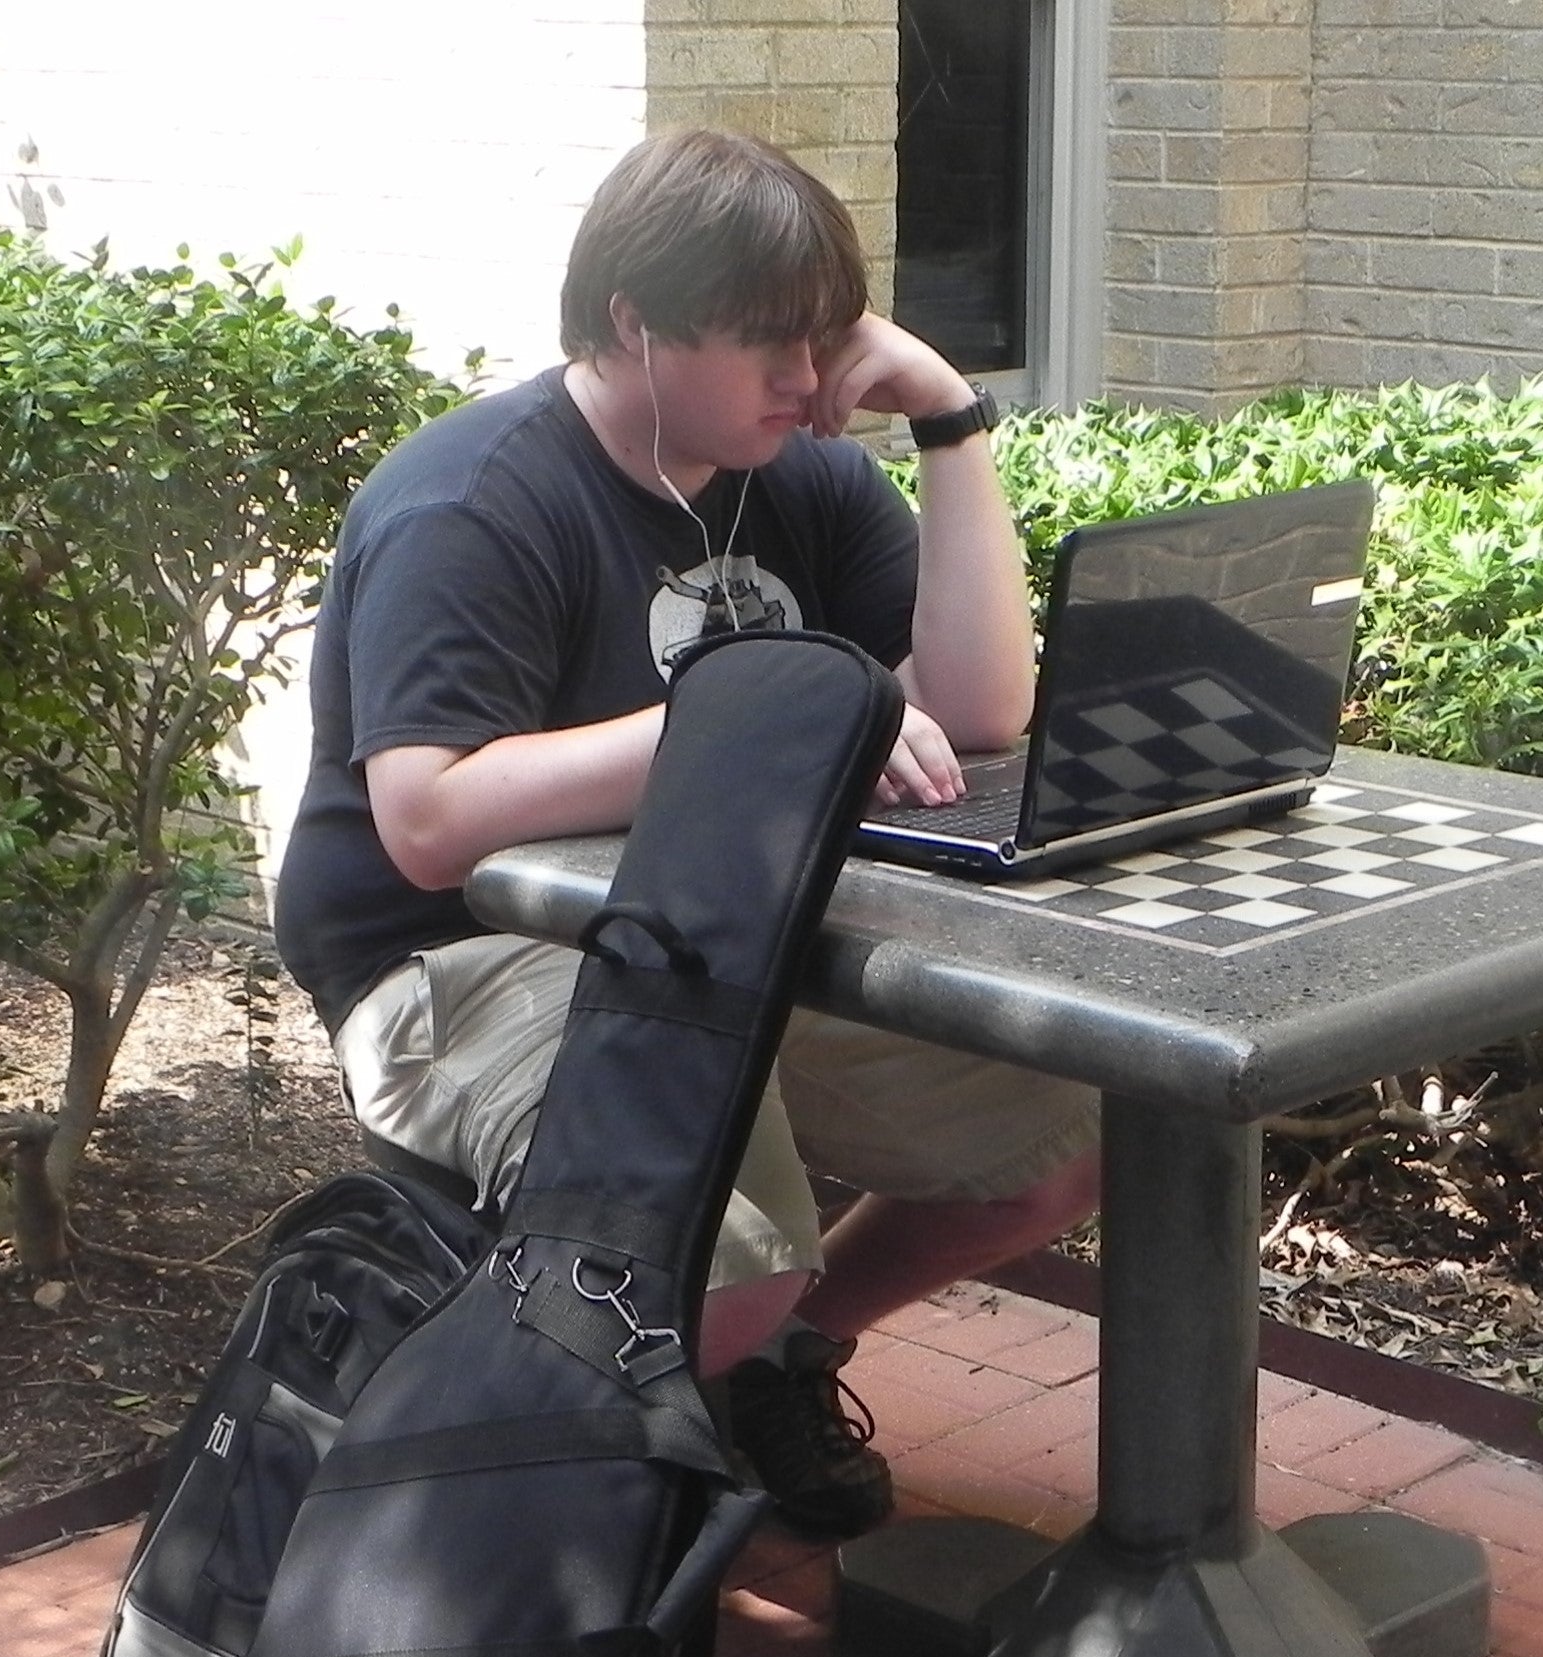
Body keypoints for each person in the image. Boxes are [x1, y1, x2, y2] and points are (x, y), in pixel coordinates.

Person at [272, 128, 1100, 1538]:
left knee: (1062, 1148)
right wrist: (748, 730)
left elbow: (979, 708)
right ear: (633, 325)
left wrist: (953, 423)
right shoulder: (476, 500)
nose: (804, 379)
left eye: (825, 339)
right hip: (460, 956)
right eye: (766, 343)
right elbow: (424, 822)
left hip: (722, 928)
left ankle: (765, 1370)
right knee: (717, 1267)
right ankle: (468, 1529)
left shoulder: (797, 472)